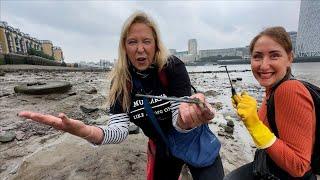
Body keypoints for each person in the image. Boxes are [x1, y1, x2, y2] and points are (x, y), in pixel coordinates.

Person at [19, 11, 224, 180]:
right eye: (133, 42)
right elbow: (118, 131)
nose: (140, 49)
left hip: (191, 139)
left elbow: (177, 119)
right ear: (124, 47)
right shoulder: (121, 83)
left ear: (156, 45)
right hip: (163, 148)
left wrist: (189, 116)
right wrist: (84, 131)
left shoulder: (172, 67)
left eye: (147, 41)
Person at [224, 27, 316, 179]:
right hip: (270, 167)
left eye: (274, 56)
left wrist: (254, 124)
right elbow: (270, 134)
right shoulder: (272, 89)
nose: (264, 65)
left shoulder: (289, 89)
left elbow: (299, 166)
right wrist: (251, 115)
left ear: (290, 58)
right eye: (257, 57)